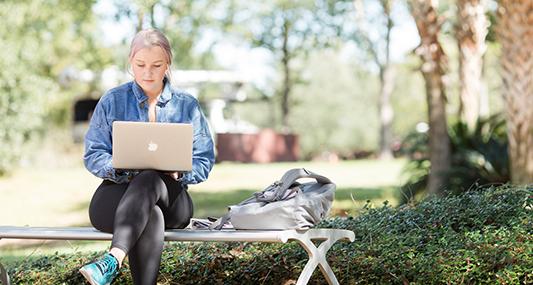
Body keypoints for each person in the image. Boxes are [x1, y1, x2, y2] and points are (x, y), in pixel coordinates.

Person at [79, 29, 215, 285]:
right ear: (130, 61)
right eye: (140, 64)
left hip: (171, 197)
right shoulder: (112, 100)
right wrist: (119, 165)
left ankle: (112, 259)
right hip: (117, 193)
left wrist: (179, 171)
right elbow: (93, 153)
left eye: (157, 65)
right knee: (151, 215)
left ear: (168, 65)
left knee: (151, 178)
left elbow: (204, 160)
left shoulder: (187, 105)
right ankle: (116, 263)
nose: (148, 72)